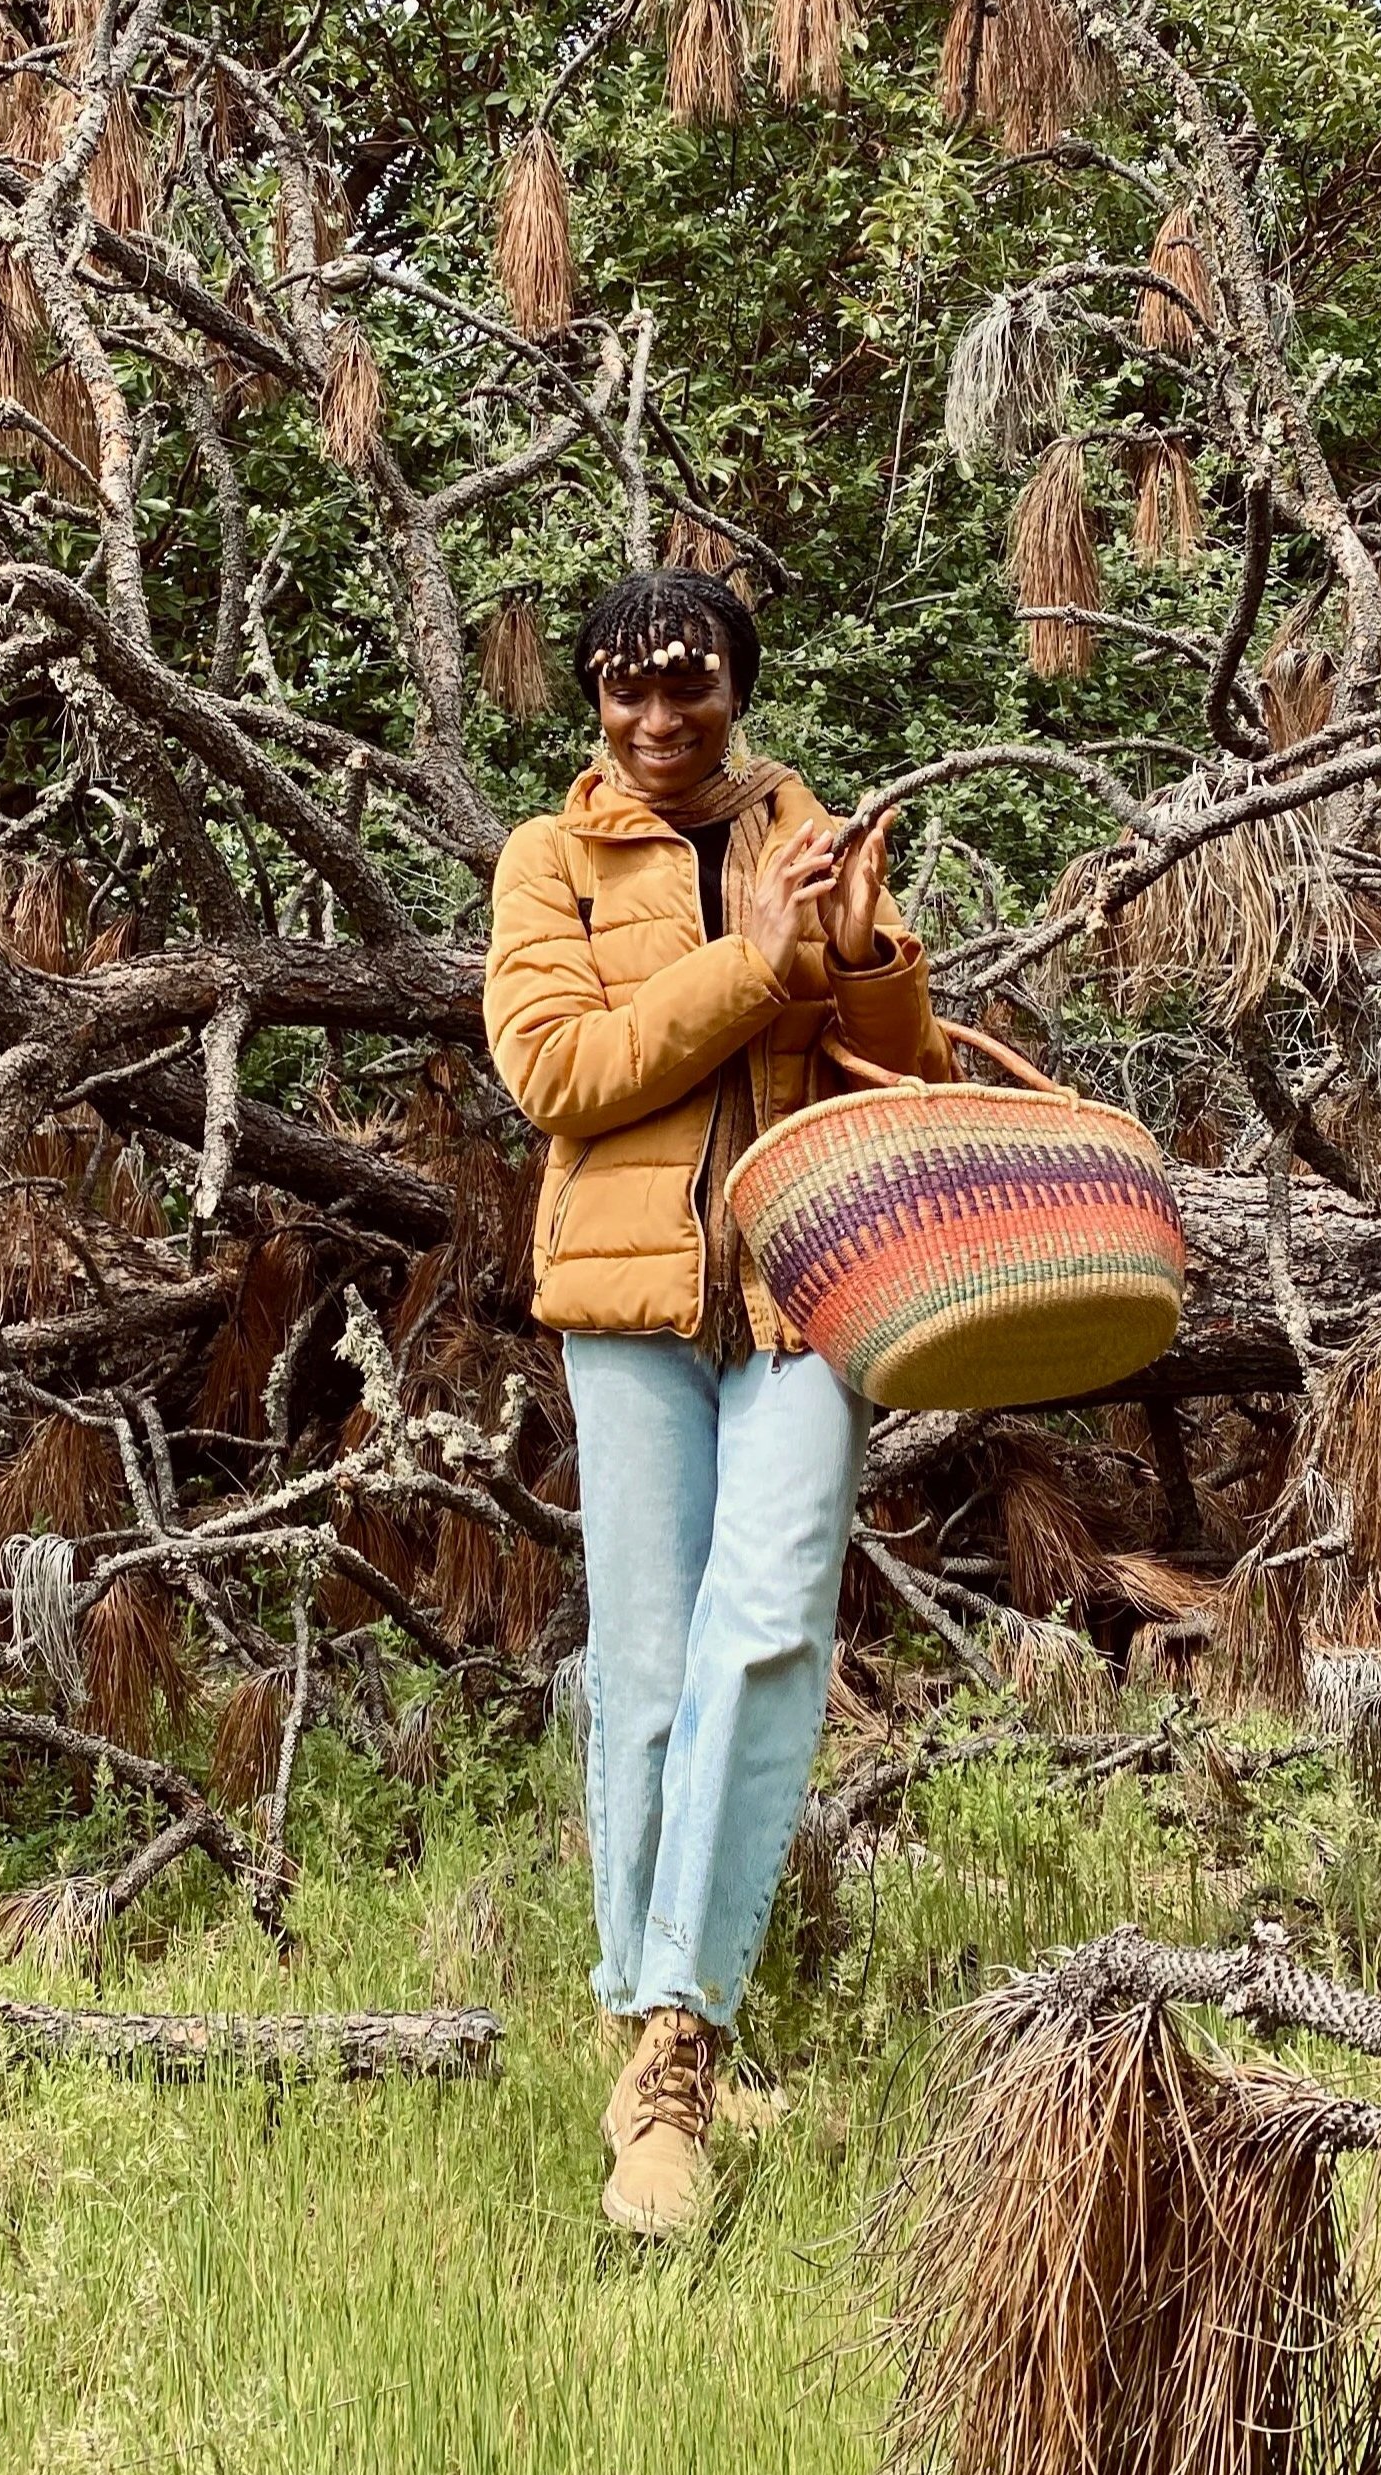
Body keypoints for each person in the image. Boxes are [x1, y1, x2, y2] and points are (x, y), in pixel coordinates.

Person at [483, 567, 951, 2237]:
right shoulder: (548, 860)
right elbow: (558, 1071)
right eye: (624, 689)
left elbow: (903, 1080)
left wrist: (863, 953)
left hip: (803, 1298)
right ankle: (650, 2017)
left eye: (689, 686)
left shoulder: (798, 831)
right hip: (626, 1314)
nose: (657, 720)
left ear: (737, 690)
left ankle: (679, 2037)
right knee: (645, 1668)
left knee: (767, 1634)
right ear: (594, 702)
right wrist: (752, 971)